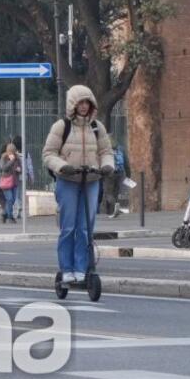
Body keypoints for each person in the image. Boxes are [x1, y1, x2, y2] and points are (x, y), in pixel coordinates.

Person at [42, 84, 114, 284]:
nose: (83, 106)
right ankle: (67, 269)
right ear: (72, 104)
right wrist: (63, 166)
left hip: (91, 180)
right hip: (68, 180)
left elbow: (106, 152)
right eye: (80, 102)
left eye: (87, 103)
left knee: (85, 228)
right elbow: (48, 154)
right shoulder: (61, 126)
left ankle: (81, 268)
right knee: (68, 227)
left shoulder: (97, 127)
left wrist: (107, 166)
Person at [102, 137, 130, 217]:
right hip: (120, 173)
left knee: (108, 193)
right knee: (118, 192)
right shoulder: (121, 148)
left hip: (109, 173)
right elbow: (126, 162)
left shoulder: (106, 150)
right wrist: (128, 174)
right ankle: (117, 208)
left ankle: (113, 209)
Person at [0, 143, 24, 223]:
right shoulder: (4, 158)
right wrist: (11, 161)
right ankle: (10, 216)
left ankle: (4, 213)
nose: (12, 153)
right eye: (10, 152)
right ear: (7, 151)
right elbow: (3, 168)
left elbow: (21, 168)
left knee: (12, 200)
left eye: (13, 151)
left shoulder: (17, 158)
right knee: (9, 198)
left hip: (14, 181)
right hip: (6, 182)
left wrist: (19, 170)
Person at [12, 134, 34, 219]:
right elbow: (29, 165)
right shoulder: (26, 153)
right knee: (21, 193)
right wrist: (31, 176)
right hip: (24, 176)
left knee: (15, 193)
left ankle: (16, 209)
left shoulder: (13, 154)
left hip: (15, 176)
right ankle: (20, 208)